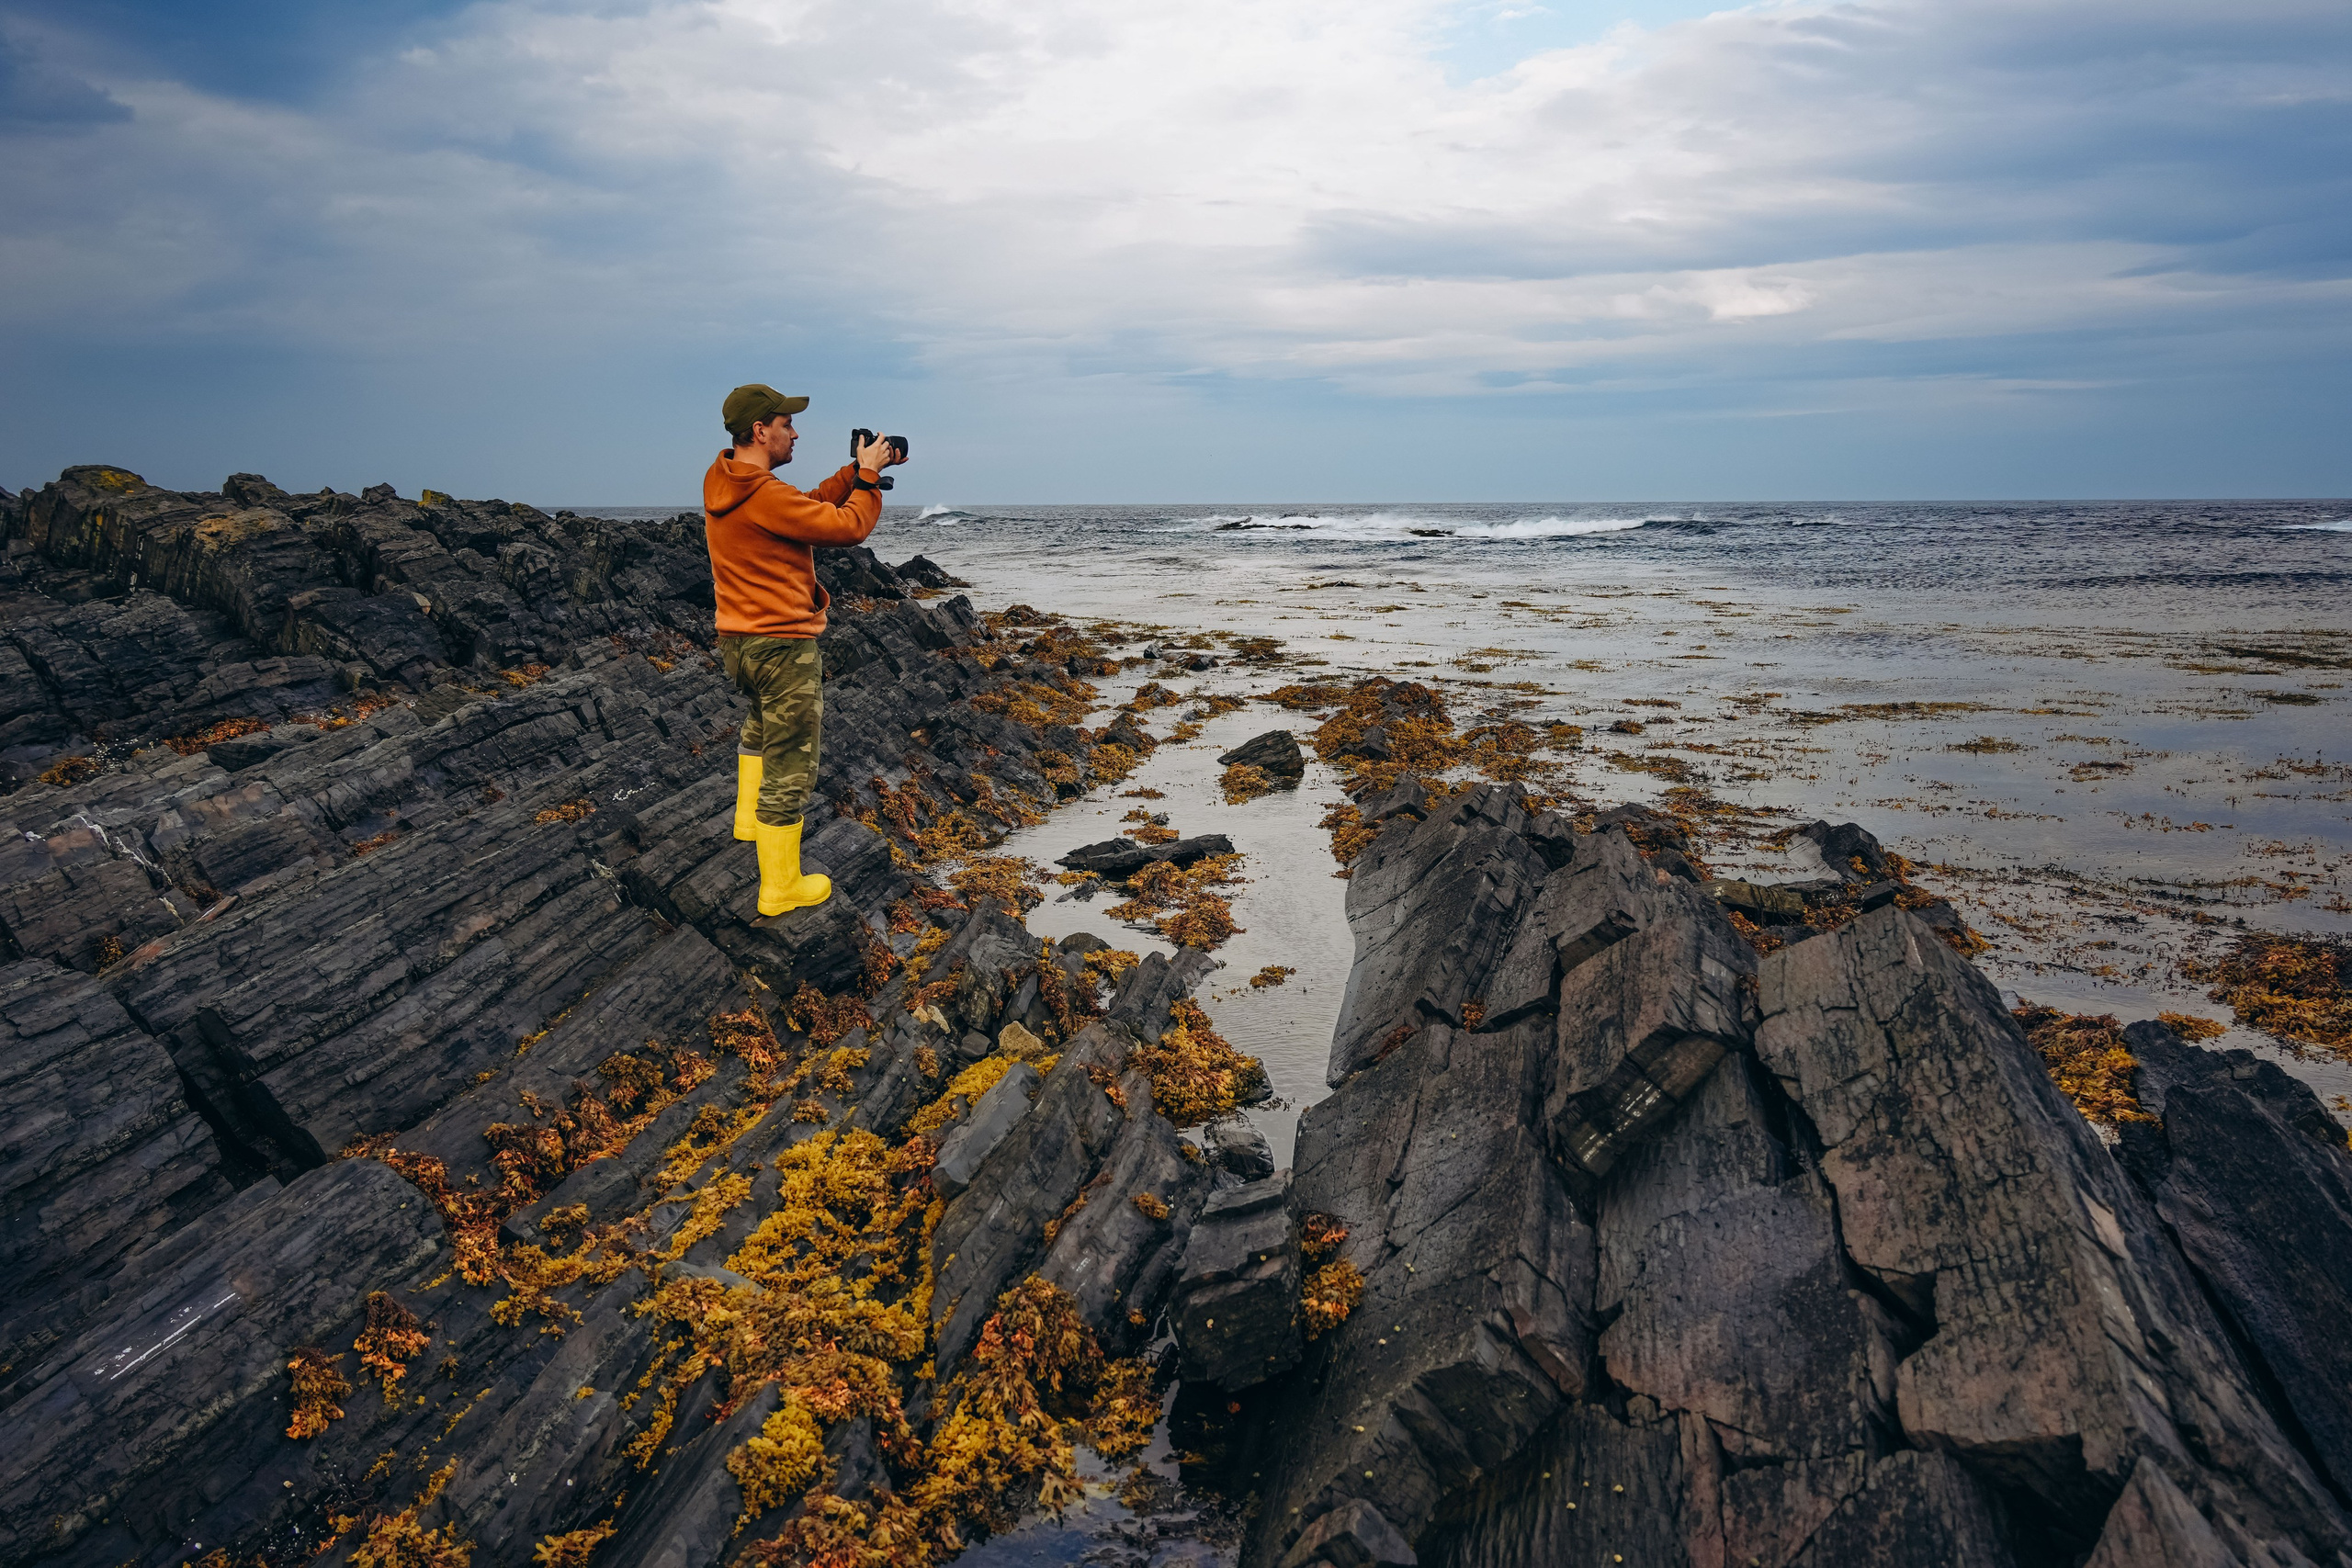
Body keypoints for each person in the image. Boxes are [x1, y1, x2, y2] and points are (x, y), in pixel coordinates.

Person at [704, 382, 907, 916]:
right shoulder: (765, 495)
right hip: (781, 645)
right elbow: (846, 526)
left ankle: (749, 820)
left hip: (738, 641)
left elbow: (804, 508)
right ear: (759, 430)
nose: (795, 432)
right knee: (792, 757)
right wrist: (867, 481)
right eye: (787, 424)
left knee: (759, 723)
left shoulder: (728, 481)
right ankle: (779, 887)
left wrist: (850, 475)